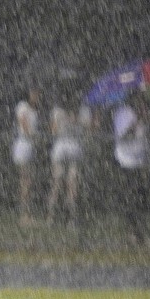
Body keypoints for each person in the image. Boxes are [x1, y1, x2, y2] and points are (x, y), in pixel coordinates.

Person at [112, 90, 150, 246]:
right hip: (126, 161)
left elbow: (146, 137)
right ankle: (131, 233)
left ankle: (139, 232)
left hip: (141, 161)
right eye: (140, 101)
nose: (142, 104)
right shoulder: (123, 115)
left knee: (142, 198)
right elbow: (121, 137)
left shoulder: (145, 115)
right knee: (131, 198)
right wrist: (134, 125)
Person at [46, 93, 88, 227]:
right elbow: (52, 131)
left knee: (73, 184)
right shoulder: (57, 111)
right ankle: (51, 217)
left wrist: (77, 120)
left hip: (75, 149)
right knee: (57, 183)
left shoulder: (83, 110)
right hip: (60, 149)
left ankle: (71, 218)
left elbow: (89, 128)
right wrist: (62, 120)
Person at [11, 87, 41, 225]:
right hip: (23, 145)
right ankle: (24, 215)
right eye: (35, 93)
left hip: (30, 146)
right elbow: (24, 125)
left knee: (29, 182)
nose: (37, 96)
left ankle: (27, 213)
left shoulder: (35, 110)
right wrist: (34, 135)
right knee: (25, 182)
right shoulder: (22, 107)